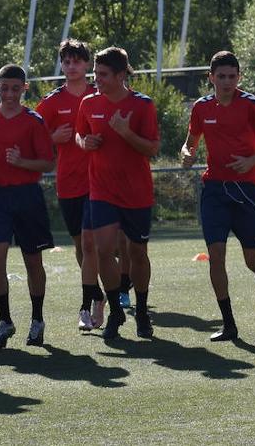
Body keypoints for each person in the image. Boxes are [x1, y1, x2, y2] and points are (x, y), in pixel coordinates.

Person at [181, 51, 255, 341]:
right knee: (216, 256)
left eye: (232, 76)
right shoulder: (201, 108)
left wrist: (252, 161)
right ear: (210, 77)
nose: (226, 81)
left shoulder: (250, 104)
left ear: (239, 77)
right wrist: (187, 154)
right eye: (221, 76)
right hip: (214, 189)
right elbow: (190, 143)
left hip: (247, 190)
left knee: (254, 260)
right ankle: (229, 323)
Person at [75, 47, 161, 340]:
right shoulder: (88, 104)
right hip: (102, 189)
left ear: (121, 75)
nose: (96, 79)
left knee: (137, 253)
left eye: (103, 74)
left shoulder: (143, 105)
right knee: (102, 250)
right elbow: (79, 134)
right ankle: (115, 310)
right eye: (95, 74)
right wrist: (84, 142)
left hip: (136, 191)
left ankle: (142, 310)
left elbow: (152, 148)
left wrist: (126, 132)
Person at [0, 64, 56, 349]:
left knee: (33, 262)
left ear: (24, 89)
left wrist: (22, 163)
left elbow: (47, 163)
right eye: (4, 87)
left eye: (15, 88)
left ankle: (37, 319)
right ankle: (5, 321)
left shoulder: (33, 121)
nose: (9, 93)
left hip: (27, 197)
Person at [35, 39, 104, 331]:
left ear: (87, 64)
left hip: (100, 181)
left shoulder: (101, 94)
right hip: (68, 182)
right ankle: (100, 294)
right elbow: (32, 139)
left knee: (90, 244)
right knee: (81, 246)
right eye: (67, 61)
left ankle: (86, 307)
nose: (72, 66)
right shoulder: (51, 102)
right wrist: (52, 139)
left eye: (77, 60)